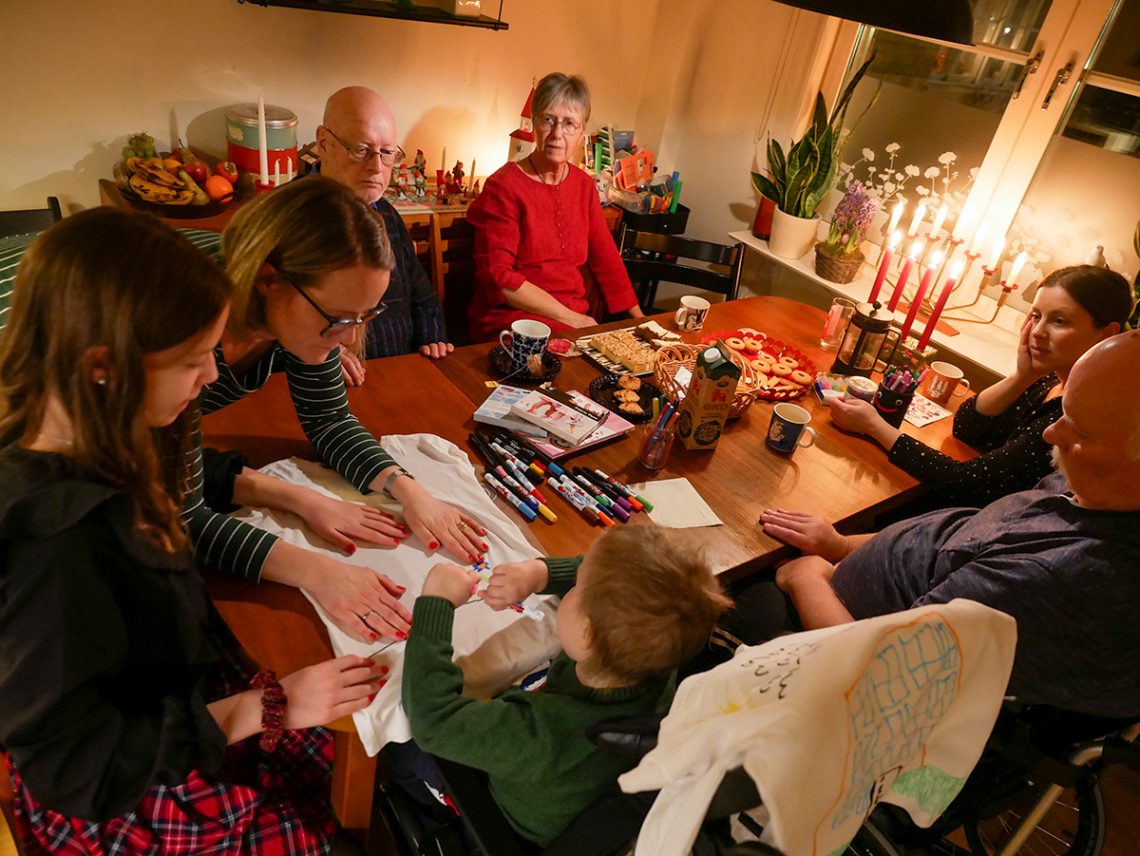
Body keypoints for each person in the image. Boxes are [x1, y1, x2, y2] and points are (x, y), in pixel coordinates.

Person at [0, 208, 387, 851]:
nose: (213, 377)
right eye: (191, 362)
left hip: (168, 695)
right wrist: (265, 707)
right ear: (105, 366)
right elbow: (78, 770)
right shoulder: (58, 544)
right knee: (326, 827)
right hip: (120, 787)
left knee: (343, 742)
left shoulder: (109, 434)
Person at [766, 329, 1140, 719]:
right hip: (845, 578)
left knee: (723, 593)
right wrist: (840, 545)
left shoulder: (1051, 578)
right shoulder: (1096, 493)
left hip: (832, 662)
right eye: (1063, 412)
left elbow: (878, 675)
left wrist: (807, 580)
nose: (1050, 433)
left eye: (1078, 430)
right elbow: (964, 535)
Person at [185, 175, 488, 645]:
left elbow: (327, 418)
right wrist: (314, 569)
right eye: (338, 320)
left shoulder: (296, 308)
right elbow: (163, 502)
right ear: (269, 279)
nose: (348, 340)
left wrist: (406, 488)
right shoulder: (179, 324)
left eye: (363, 318)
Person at [400, 527, 731, 846]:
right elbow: (607, 580)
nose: (573, 582)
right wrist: (538, 574)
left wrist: (436, 603)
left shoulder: (544, 733)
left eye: (576, 588)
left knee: (400, 750)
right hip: (575, 787)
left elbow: (433, 718)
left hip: (505, 817)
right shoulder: (658, 652)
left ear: (588, 633)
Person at [827, 265, 1132, 511]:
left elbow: (968, 483)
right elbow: (967, 426)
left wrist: (873, 425)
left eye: (1059, 321)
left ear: (1106, 334)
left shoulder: (1072, 418)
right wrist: (1021, 376)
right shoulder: (1050, 382)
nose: (1037, 332)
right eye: (1036, 316)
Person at [466, 72, 645, 343]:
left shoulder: (584, 186)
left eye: (569, 123)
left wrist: (642, 322)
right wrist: (573, 319)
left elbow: (606, 259)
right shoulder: (504, 186)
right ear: (534, 123)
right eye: (548, 119)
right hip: (513, 320)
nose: (557, 134)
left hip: (572, 322)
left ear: (581, 133)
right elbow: (499, 277)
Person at [315, 85, 453, 381]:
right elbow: (261, 323)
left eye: (387, 153)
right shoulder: (290, 217)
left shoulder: (387, 213)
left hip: (402, 371)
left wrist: (433, 341)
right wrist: (315, 351)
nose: (377, 167)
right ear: (324, 143)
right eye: (361, 150)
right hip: (329, 381)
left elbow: (423, 296)